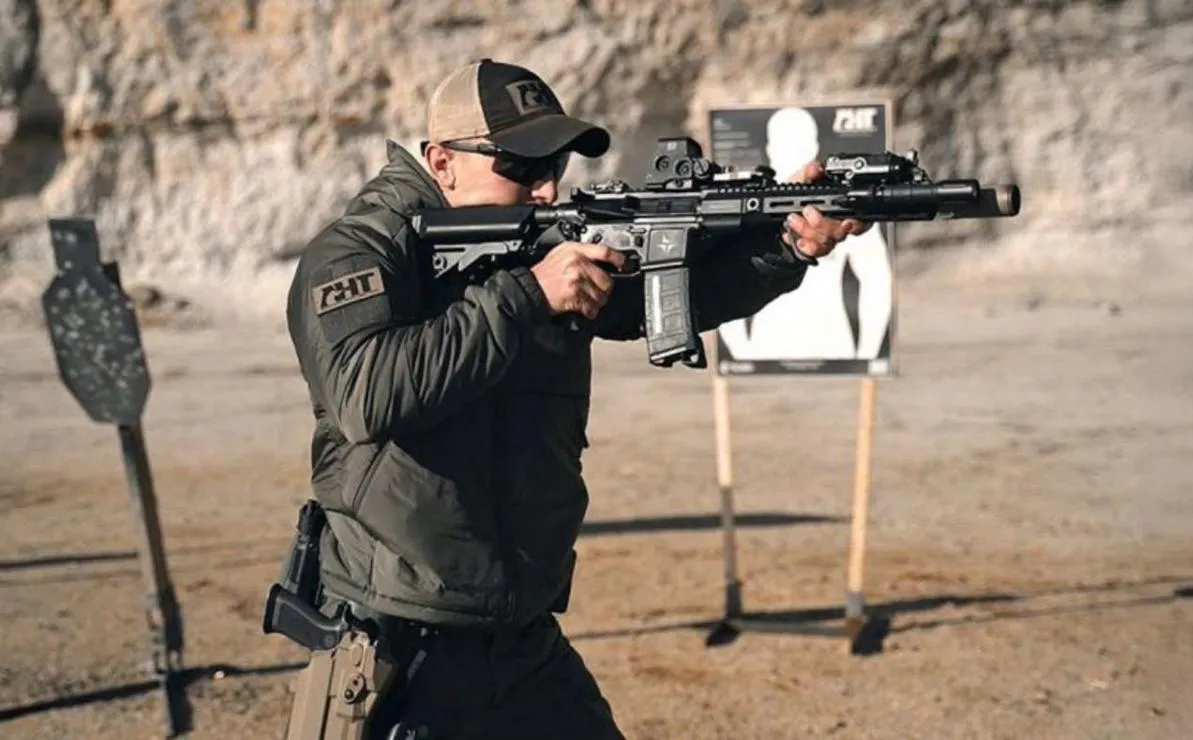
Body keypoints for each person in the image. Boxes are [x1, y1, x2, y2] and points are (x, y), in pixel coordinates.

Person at [282, 58, 866, 739]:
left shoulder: (537, 238)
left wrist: (790, 242)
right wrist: (529, 294)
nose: (547, 187)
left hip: (522, 641)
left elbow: (664, 300)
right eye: (522, 169)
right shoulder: (363, 251)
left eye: (555, 165)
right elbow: (365, 394)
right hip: (395, 650)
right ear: (442, 161)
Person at [718, 105, 894, 362]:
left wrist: (869, 352)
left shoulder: (842, 204)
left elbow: (877, 280)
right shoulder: (748, 207)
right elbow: (722, 277)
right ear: (769, 149)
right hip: (766, 342)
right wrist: (739, 349)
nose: (790, 153)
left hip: (832, 342)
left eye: (799, 144)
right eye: (782, 144)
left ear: (814, 149)